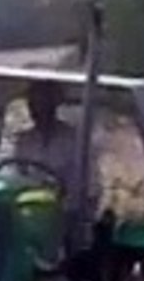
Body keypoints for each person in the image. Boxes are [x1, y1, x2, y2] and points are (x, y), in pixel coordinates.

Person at [12, 81, 103, 212]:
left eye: (43, 103)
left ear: (54, 106)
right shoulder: (24, 141)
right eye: (33, 103)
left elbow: (91, 187)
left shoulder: (75, 140)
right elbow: (14, 176)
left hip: (64, 211)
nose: (37, 109)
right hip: (27, 209)